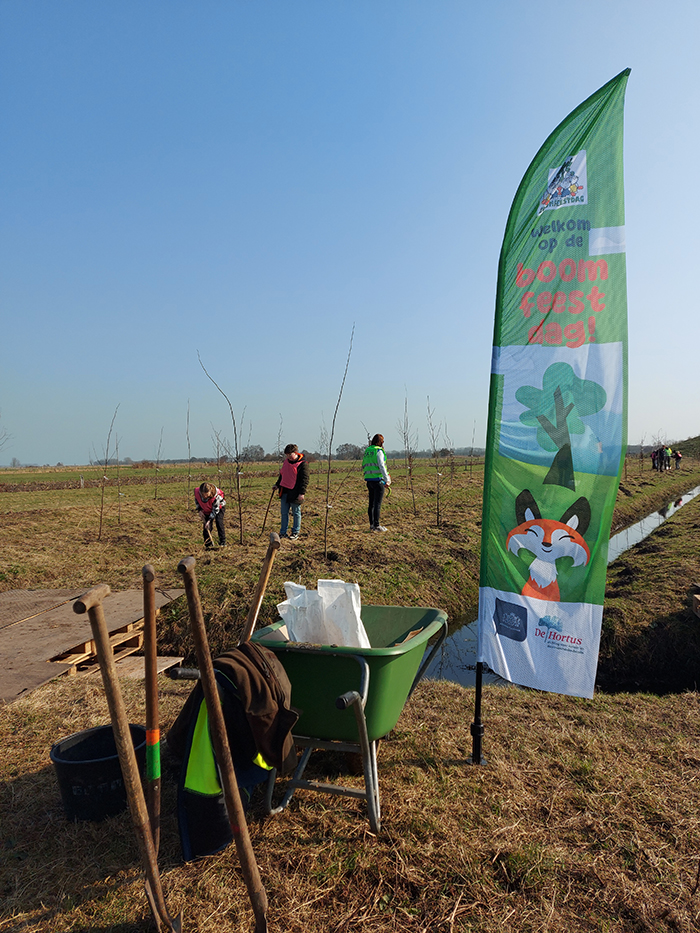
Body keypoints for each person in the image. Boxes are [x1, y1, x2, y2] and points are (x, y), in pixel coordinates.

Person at [274, 444, 309, 540]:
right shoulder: (286, 462)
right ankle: (283, 532)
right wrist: (277, 484)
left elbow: (305, 480)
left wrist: (302, 493)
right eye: (287, 455)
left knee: (296, 513)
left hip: (295, 492)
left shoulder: (303, 464)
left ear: (295, 453)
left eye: (290, 455)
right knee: (284, 513)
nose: (288, 457)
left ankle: (295, 532)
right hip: (284, 491)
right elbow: (282, 475)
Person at [362, 434, 391, 531]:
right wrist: (387, 479)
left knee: (371, 504)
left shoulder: (367, 451)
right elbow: (381, 465)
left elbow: (364, 465)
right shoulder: (378, 451)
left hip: (369, 480)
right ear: (380, 442)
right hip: (378, 480)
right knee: (377, 504)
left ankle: (371, 525)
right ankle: (377, 525)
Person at [194, 481, 226, 549]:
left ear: (210, 491)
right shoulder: (198, 493)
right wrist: (199, 510)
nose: (205, 496)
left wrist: (209, 520)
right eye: (203, 495)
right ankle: (208, 546)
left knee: (219, 522)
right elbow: (197, 500)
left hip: (218, 508)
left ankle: (222, 543)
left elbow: (215, 510)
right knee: (207, 528)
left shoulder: (216, 496)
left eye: (207, 495)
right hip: (206, 508)